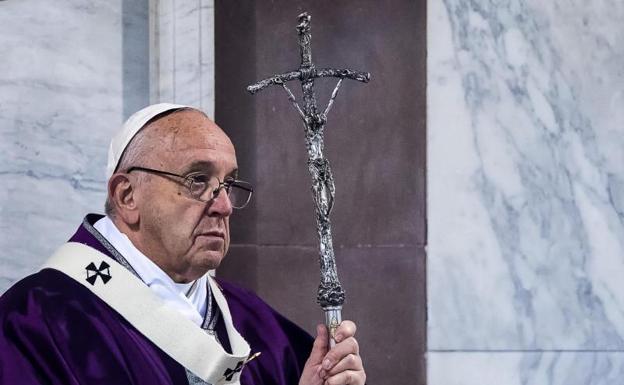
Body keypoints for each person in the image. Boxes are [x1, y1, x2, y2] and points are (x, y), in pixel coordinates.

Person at [0, 104, 366, 385]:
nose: (223, 206)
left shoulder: (253, 322)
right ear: (127, 195)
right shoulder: (34, 321)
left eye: (228, 184)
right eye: (197, 180)